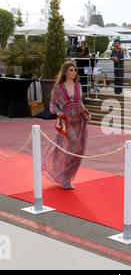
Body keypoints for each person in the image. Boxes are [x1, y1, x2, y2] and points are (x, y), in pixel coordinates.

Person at [42, 61, 91, 190]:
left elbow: (80, 103)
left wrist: (86, 113)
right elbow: (52, 105)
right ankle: (64, 176)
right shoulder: (58, 88)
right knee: (73, 148)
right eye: (71, 70)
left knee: (78, 150)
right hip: (67, 121)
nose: (74, 72)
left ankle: (67, 178)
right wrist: (59, 112)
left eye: (74, 70)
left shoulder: (78, 85)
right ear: (65, 72)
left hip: (79, 121)